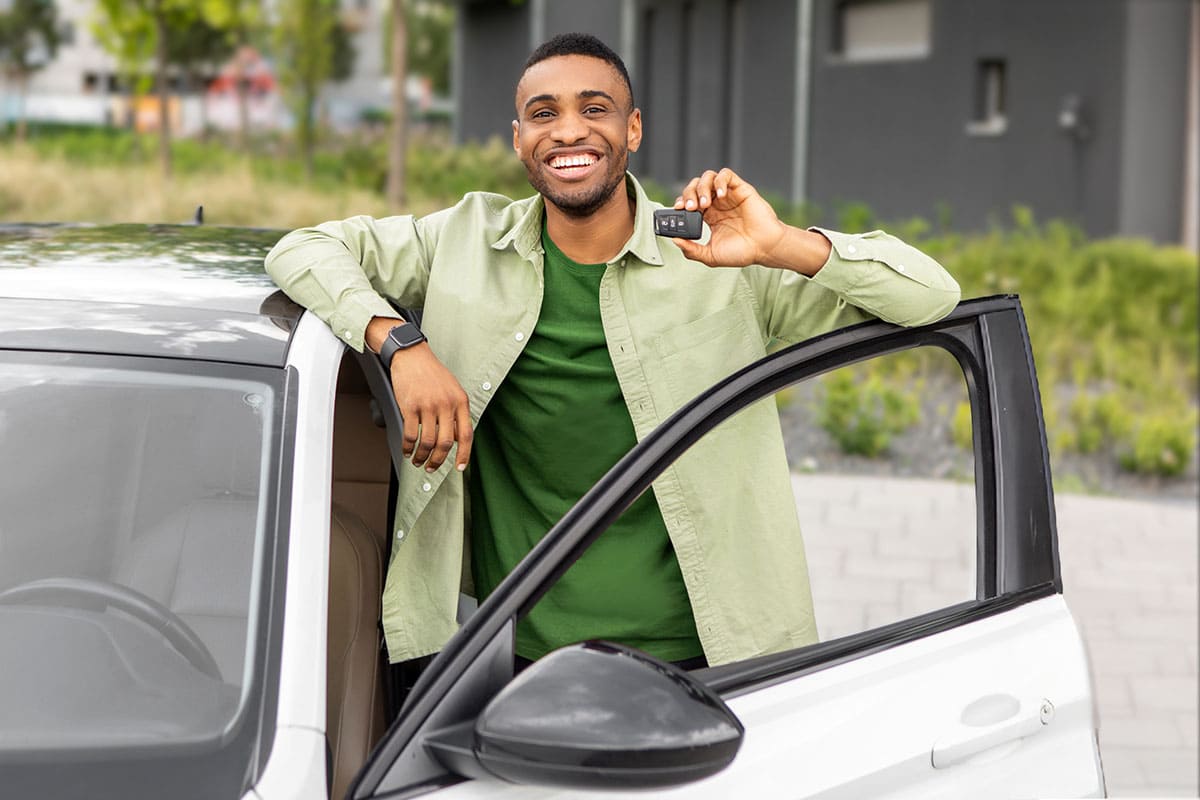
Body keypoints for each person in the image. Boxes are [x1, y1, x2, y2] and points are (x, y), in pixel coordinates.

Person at [265, 33, 960, 670]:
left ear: (633, 129)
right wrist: (400, 345)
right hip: (513, 653)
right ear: (519, 139)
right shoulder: (464, 239)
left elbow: (931, 296)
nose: (569, 130)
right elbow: (302, 249)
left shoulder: (717, 258)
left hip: (712, 655)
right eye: (544, 114)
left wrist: (781, 244)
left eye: (594, 109)